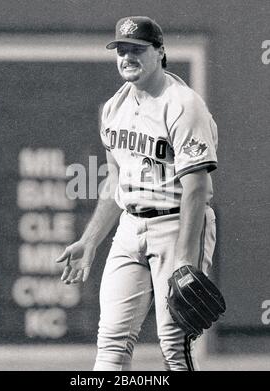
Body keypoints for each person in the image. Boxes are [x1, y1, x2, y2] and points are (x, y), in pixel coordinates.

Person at [55, 16, 218, 371]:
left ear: (160, 52)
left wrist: (185, 261)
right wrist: (91, 240)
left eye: (137, 50)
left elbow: (195, 187)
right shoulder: (114, 108)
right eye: (121, 50)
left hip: (177, 223)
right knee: (111, 342)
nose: (127, 57)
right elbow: (116, 179)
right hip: (131, 227)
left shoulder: (183, 105)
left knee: (176, 345)